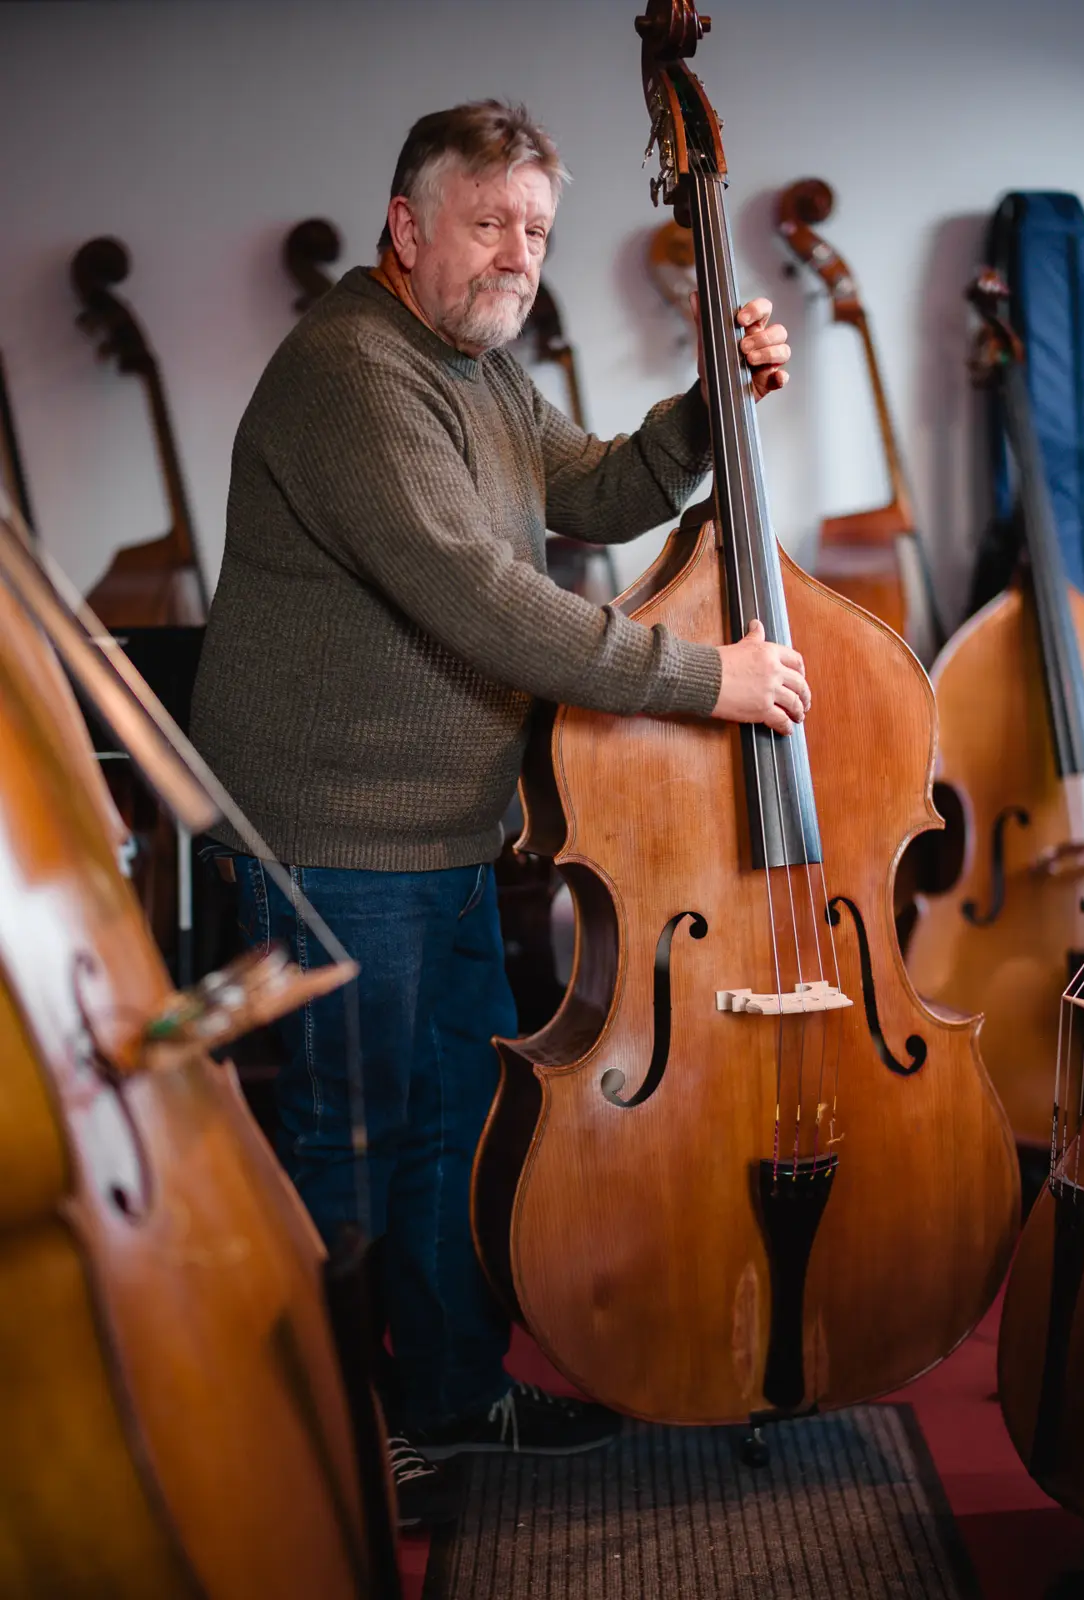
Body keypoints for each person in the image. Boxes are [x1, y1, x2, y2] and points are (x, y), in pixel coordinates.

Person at [189, 99, 809, 1526]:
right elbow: (487, 598)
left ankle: (454, 1400)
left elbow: (588, 489)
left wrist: (703, 417)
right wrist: (705, 676)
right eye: (489, 223)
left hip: (448, 837)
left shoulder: (474, 364)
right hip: (329, 846)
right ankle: (330, 1456)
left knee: (451, 1134)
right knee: (343, 1151)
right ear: (406, 229)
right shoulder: (354, 371)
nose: (517, 255)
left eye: (535, 228)